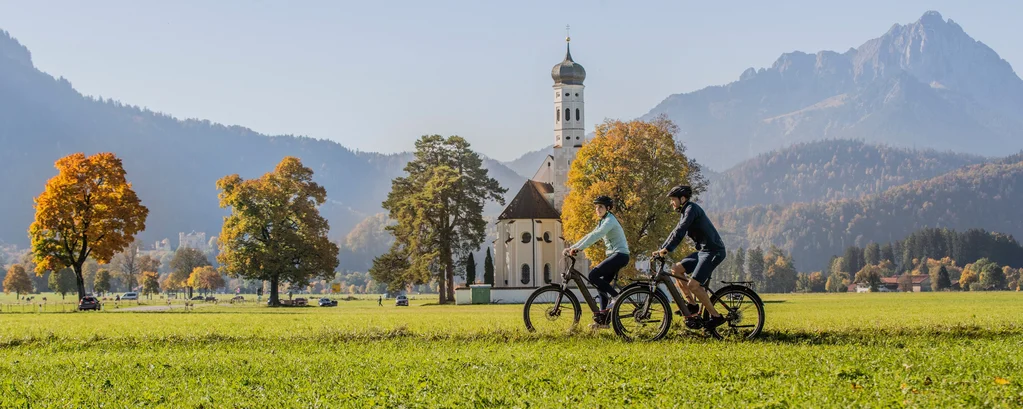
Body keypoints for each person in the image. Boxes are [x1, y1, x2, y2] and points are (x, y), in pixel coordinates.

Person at [652, 185, 728, 329]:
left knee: (693, 285)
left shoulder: (691, 209)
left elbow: (681, 230)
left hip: (714, 251)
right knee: (676, 269)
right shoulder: (685, 211)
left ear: (682, 199)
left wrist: (667, 249)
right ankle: (692, 305)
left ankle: (716, 317)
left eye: (673, 199)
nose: (671, 202)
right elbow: (675, 231)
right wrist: (662, 248)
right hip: (703, 251)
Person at [563, 195, 630, 327]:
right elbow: (589, 235)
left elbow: (597, 235)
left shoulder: (610, 221)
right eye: (596, 207)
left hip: (620, 255)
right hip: (615, 255)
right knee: (601, 285)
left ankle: (616, 297)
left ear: (608, 208)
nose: (597, 209)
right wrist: (572, 247)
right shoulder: (603, 221)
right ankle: (603, 321)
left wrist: (579, 248)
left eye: (601, 207)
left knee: (593, 275)